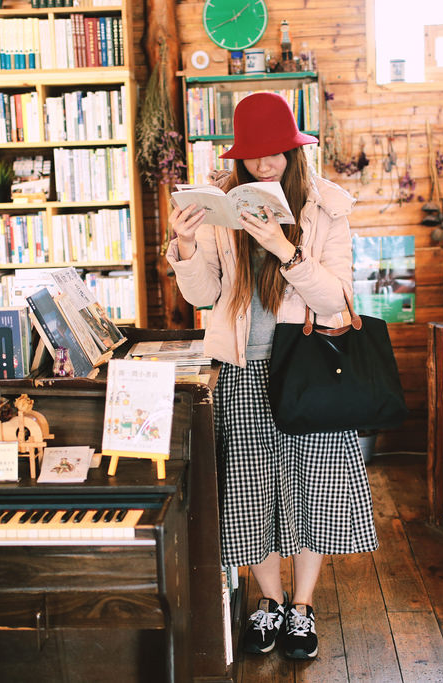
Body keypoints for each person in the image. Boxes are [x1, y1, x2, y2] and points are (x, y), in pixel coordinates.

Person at [166, 92, 378, 661]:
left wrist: (285, 249)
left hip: (307, 366)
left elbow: (335, 300)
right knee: (246, 495)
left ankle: (303, 608)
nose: (264, 166)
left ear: (293, 148)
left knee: (317, 492)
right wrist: (185, 244)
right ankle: (270, 602)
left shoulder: (327, 206)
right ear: (239, 158)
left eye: (275, 153)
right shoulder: (221, 212)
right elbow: (205, 295)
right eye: (254, 156)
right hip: (240, 370)